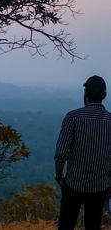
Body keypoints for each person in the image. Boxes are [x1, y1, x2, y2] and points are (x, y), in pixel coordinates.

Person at [54, 75, 111, 230]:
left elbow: (60, 155)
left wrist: (59, 177)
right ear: (104, 95)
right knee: (93, 225)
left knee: (66, 225)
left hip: (73, 185)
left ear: (85, 93)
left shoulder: (73, 117)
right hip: (100, 186)